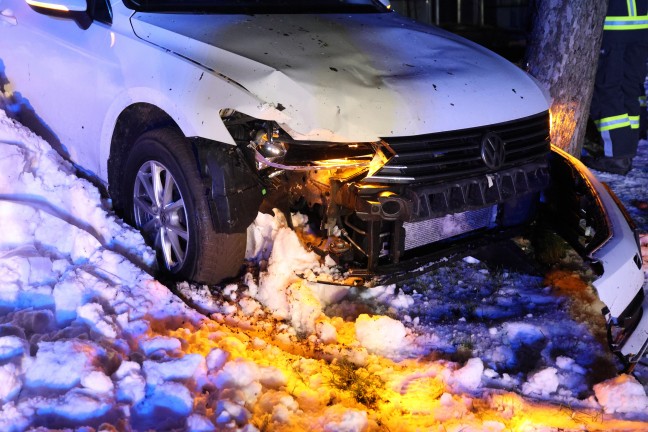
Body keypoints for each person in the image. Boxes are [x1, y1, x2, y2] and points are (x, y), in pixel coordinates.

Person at [584, 0, 648, 175]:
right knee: (630, 88)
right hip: (641, 24)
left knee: (607, 88)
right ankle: (627, 149)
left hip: (613, 25)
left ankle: (617, 157)